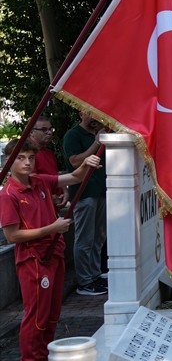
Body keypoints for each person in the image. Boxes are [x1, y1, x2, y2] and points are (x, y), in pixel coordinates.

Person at [1, 138, 101, 361]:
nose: (27, 163)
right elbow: (12, 236)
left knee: (52, 314)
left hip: (54, 253)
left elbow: (75, 177)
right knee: (36, 316)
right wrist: (51, 228)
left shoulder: (40, 181)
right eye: (21, 158)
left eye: (31, 158)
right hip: (34, 259)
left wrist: (88, 162)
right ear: (9, 161)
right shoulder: (9, 194)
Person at [62, 111, 107, 296]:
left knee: (98, 237)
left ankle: (95, 275)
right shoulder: (73, 135)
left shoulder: (100, 133)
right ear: (81, 114)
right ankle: (85, 281)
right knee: (85, 238)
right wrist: (97, 142)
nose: (94, 116)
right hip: (83, 193)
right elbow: (74, 162)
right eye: (90, 112)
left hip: (101, 192)